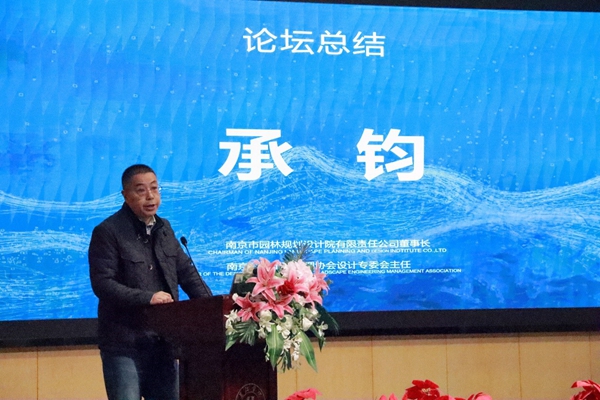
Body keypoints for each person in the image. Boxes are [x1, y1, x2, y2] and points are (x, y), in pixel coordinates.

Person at [89, 164, 212, 400]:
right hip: (124, 345)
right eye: (141, 190)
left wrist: (215, 309)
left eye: (154, 188)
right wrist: (148, 298)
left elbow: (188, 274)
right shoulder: (108, 231)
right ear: (125, 195)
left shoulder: (164, 229)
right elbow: (103, 284)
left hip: (162, 344)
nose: (150, 196)